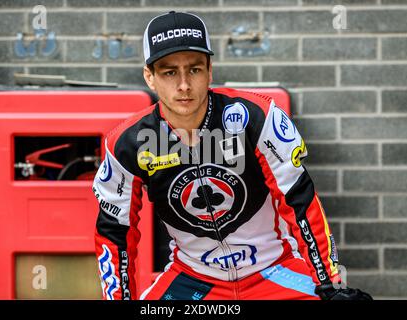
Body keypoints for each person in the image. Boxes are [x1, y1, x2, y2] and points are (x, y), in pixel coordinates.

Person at [93, 11, 372, 300]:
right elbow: (114, 233)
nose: (184, 85)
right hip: (193, 279)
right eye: (169, 72)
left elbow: (299, 200)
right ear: (149, 77)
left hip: (274, 269)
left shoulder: (257, 116)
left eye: (195, 69)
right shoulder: (126, 143)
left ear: (210, 71)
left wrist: (328, 283)